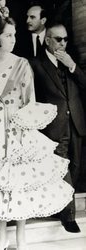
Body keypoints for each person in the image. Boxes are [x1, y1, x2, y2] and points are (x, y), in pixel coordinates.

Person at [0, 16, 74, 250]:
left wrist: (26, 131)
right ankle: (2, 238)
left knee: (20, 184)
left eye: (14, 34)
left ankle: (21, 238)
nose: (14, 39)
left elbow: (29, 101)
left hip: (18, 133)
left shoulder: (22, 64)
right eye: (8, 35)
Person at [30, 22, 86, 233]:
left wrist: (72, 66)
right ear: (47, 40)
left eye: (65, 39)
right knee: (61, 168)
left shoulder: (72, 61)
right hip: (53, 127)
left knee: (75, 167)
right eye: (58, 39)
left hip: (77, 123)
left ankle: (59, 206)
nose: (63, 43)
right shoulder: (35, 64)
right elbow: (32, 98)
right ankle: (69, 217)